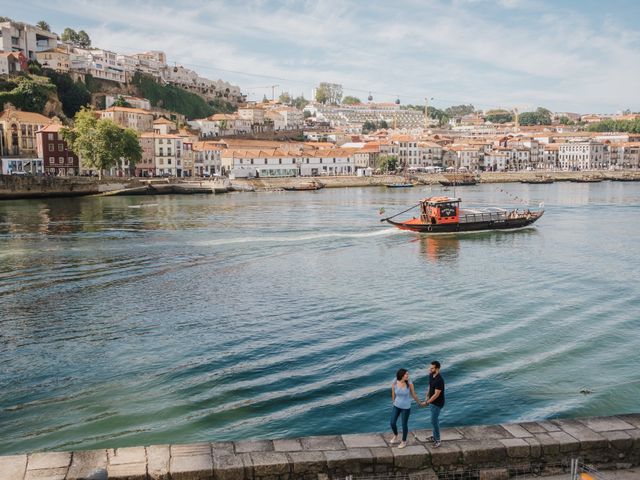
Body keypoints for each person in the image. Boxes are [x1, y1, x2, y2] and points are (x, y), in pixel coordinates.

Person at [389, 368, 422, 449]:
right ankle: (396, 435)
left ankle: (403, 441)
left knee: (404, 424)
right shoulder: (395, 381)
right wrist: (393, 401)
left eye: (408, 374)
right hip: (396, 406)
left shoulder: (409, 383)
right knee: (392, 422)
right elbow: (393, 392)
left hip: (406, 407)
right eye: (406, 374)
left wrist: (420, 403)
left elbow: (414, 394)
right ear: (402, 375)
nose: (408, 376)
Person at [421, 360, 445, 448]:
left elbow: (436, 394)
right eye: (430, 367)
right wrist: (427, 395)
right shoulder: (431, 375)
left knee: (434, 421)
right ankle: (434, 437)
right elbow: (430, 386)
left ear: (437, 369)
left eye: (432, 368)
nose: (430, 369)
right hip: (431, 401)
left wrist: (427, 402)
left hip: (437, 403)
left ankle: (438, 440)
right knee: (434, 420)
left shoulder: (440, 380)